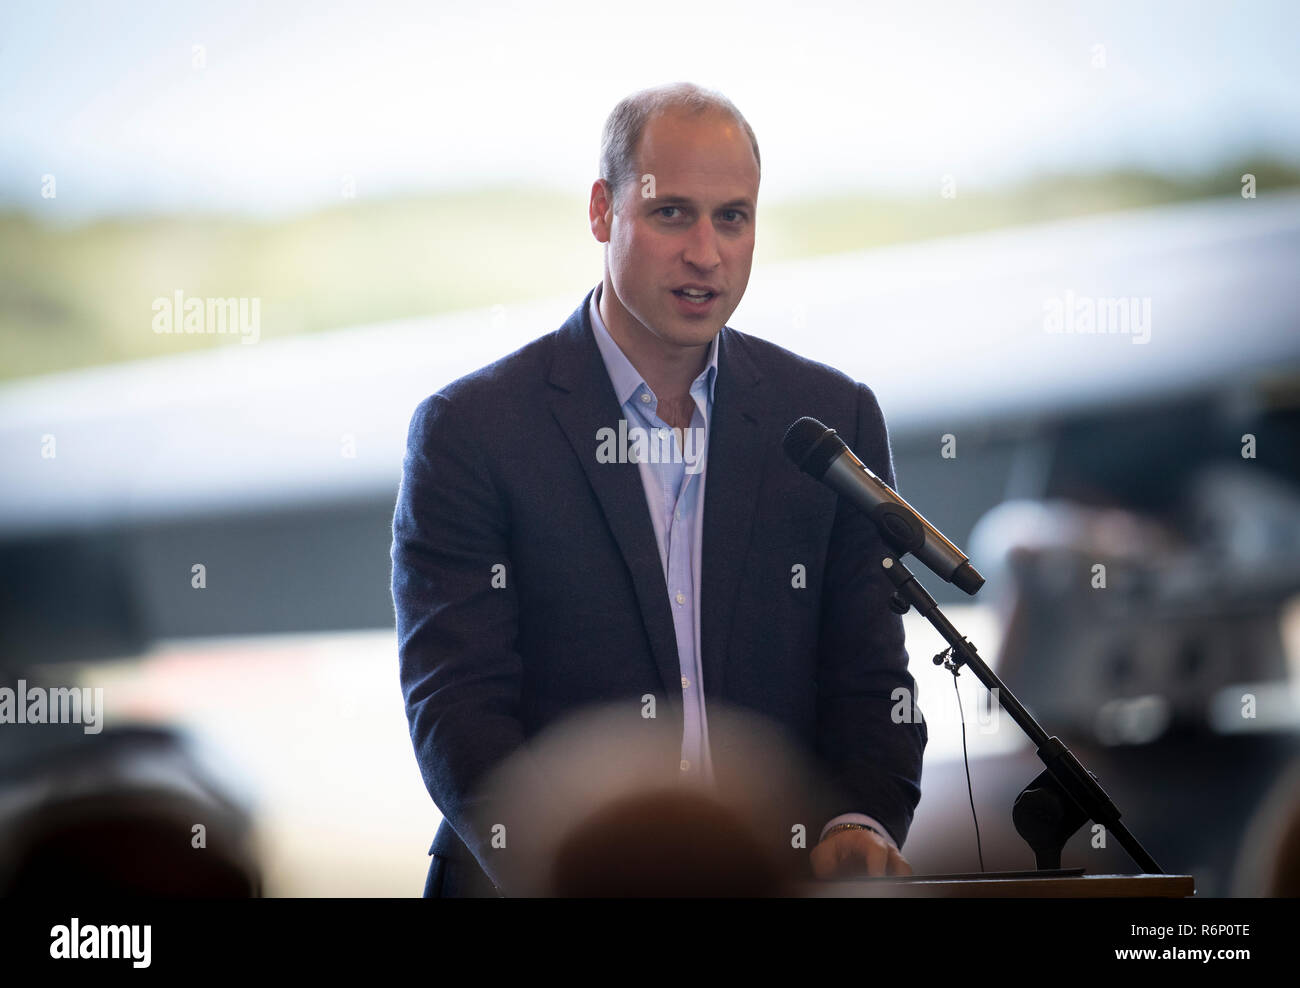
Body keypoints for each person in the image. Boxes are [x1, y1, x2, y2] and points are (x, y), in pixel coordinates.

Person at [392, 82, 927, 897]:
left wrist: (857, 823)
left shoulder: (828, 419)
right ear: (604, 212)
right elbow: (457, 708)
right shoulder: (473, 430)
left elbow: (870, 682)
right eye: (672, 213)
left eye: (733, 217)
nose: (707, 254)